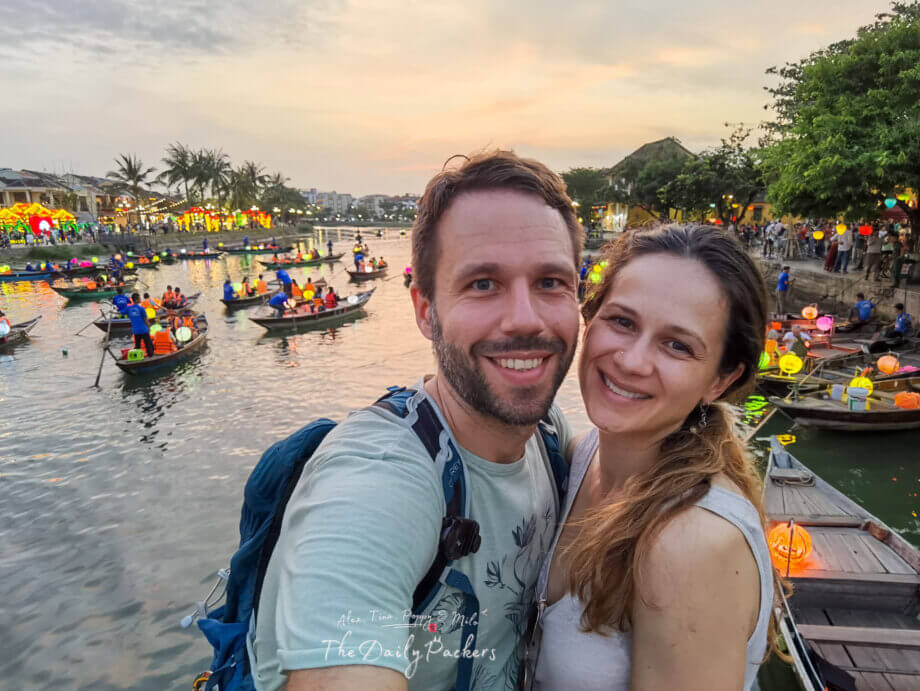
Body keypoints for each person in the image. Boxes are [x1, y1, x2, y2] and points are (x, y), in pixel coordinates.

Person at [251, 150, 582, 691]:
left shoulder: (549, 435)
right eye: (482, 283)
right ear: (426, 311)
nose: (525, 317)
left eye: (550, 282)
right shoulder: (379, 476)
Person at [530, 224, 779, 691]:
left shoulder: (688, 543)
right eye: (622, 321)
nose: (631, 361)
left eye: (677, 345)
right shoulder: (584, 456)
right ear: (591, 318)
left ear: (720, 380)